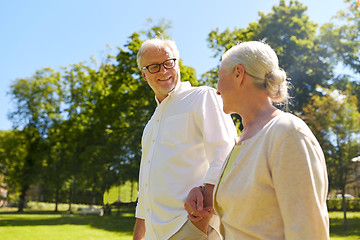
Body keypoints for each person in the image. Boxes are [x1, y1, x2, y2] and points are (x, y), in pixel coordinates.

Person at [184, 41, 330, 239]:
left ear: (238, 73)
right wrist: (201, 193)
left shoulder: (287, 134)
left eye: (219, 77)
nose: (217, 90)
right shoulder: (239, 143)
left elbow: (309, 232)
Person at [133, 38, 237, 240]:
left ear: (177, 63)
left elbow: (226, 153)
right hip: (156, 235)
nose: (163, 71)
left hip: (190, 227)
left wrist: (199, 224)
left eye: (168, 62)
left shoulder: (202, 97)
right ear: (144, 75)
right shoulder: (150, 126)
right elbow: (145, 187)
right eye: (154, 67)